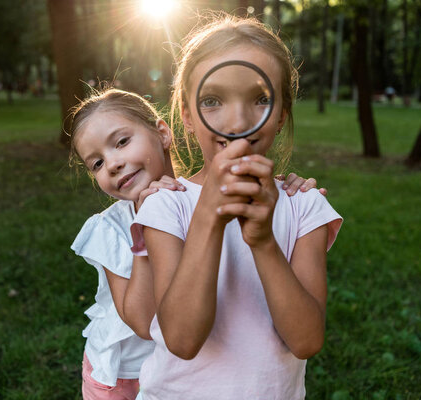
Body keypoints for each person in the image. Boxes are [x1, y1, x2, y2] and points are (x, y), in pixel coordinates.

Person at [131, 14, 343, 399]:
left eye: (260, 99)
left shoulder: (305, 206)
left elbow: (307, 341)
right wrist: (208, 216)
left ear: (281, 116)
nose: (237, 122)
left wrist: (263, 241)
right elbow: (181, 339)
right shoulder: (167, 206)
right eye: (212, 101)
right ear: (187, 116)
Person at [69, 88, 321, 400]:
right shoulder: (108, 229)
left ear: (162, 133)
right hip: (119, 377)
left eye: (121, 142)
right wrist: (145, 228)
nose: (113, 164)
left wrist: (282, 189)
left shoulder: (199, 201)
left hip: (181, 373)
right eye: (96, 163)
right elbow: (143, 323)